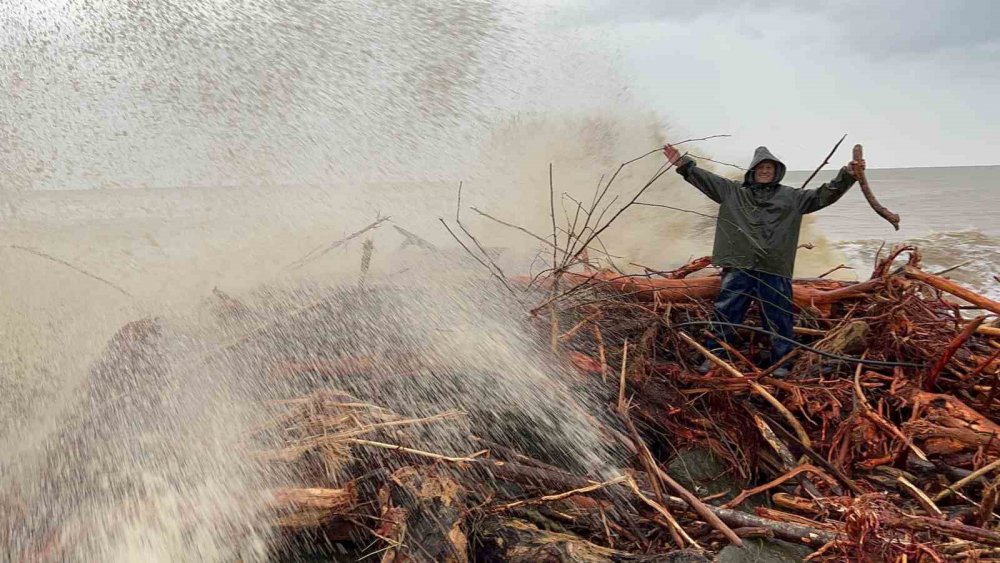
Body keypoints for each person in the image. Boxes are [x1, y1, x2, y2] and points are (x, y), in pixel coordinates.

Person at [662, 144, 865, 376]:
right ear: (753, 170)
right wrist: (682, 163)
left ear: (777, 171)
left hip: (774, 266)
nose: (765, 171)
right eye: (761, 167)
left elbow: (824, 194)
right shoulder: (732, 191)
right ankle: (715, 357)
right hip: (740, 265)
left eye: (769, 167)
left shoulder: (792, 197)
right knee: (726, 312)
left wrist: (848, 175)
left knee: (779, 316)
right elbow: (705, 179)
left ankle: (782, 363)